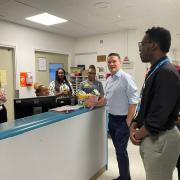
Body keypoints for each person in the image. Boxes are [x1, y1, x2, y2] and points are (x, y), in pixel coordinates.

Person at [130, 27, 180, 180]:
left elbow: (158, 116)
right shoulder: (154, 71)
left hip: (161, 139)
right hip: (152, 137)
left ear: (153, 45)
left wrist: (137, 134)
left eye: (142, 44)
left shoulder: (166, 72)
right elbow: (146, 104)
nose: (140, 49)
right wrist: (135, 122)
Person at [86, 53, 138, 180]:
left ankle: (125, 178)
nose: (111, 64)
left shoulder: (126, 78)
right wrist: (95, 103)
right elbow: (106, 100)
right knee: (118, 151)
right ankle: (124, 176)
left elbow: (134, 101)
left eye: (114, 61)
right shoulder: (109, 80)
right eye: (109, 62)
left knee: (121, 151)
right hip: (112, 120)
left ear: (119, 62)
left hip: (123, 120)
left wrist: (127, 122)